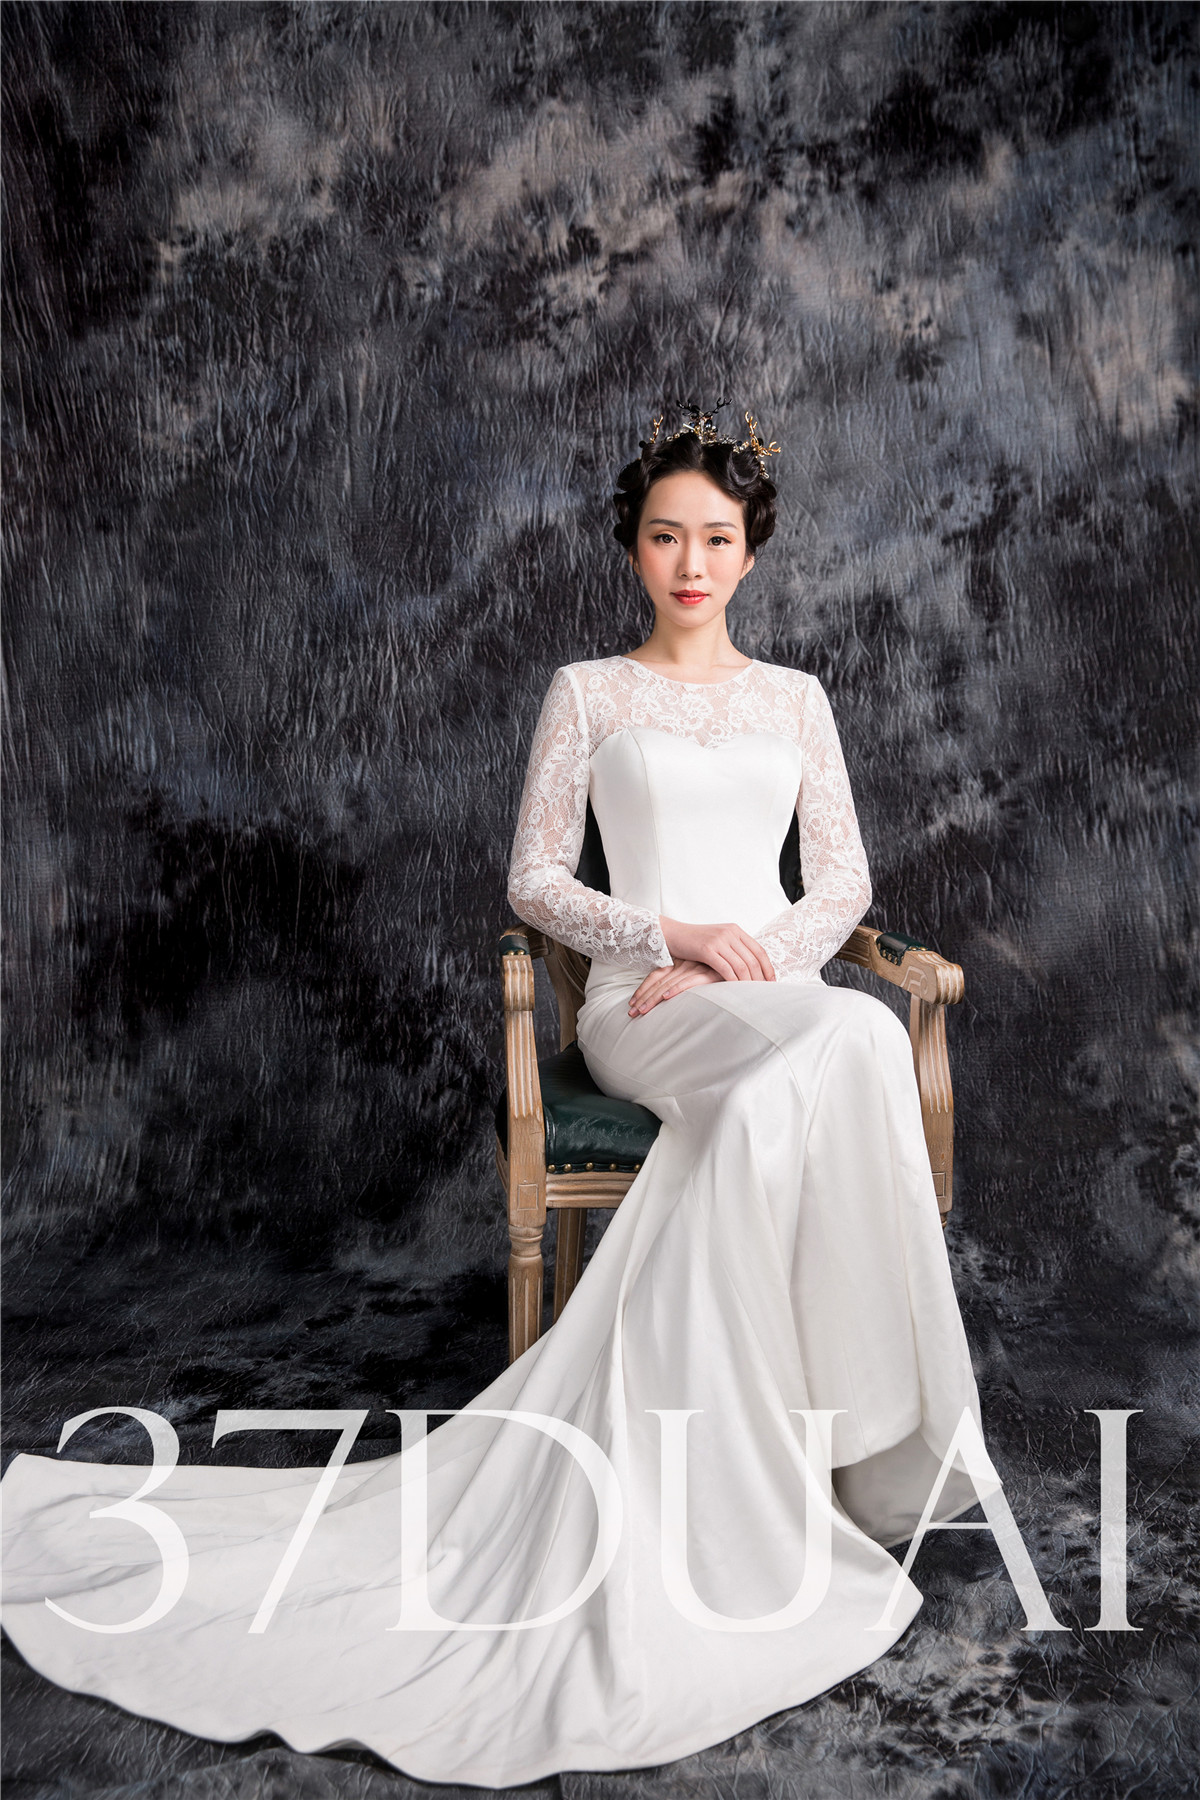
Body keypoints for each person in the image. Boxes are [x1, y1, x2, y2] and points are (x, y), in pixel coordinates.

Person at [0, 404, 1001, 1788]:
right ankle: (809, 1455)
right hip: (641, 1010)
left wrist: (748, 953)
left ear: (751, 551)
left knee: (855, 1040)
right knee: (844, 1049)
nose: (691, 565)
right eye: (666, 537)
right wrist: (665, 938)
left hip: (768, 989)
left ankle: (811, 1442)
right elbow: (534, 881)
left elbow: (842, 881)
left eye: (716, 539)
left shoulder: (797, 701)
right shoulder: (589, 692)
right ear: (633, 545)